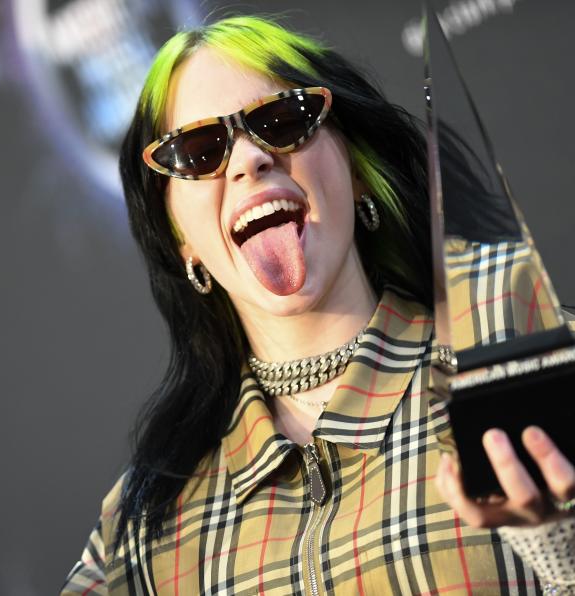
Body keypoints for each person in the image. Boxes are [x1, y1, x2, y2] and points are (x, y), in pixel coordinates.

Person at [61, 15, 575, 596]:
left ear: (356, 170)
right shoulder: (143, 521)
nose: (249, 159)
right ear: (180, 235)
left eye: (284, 120)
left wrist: (565, 559)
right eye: (199, 151)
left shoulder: (540, 369)